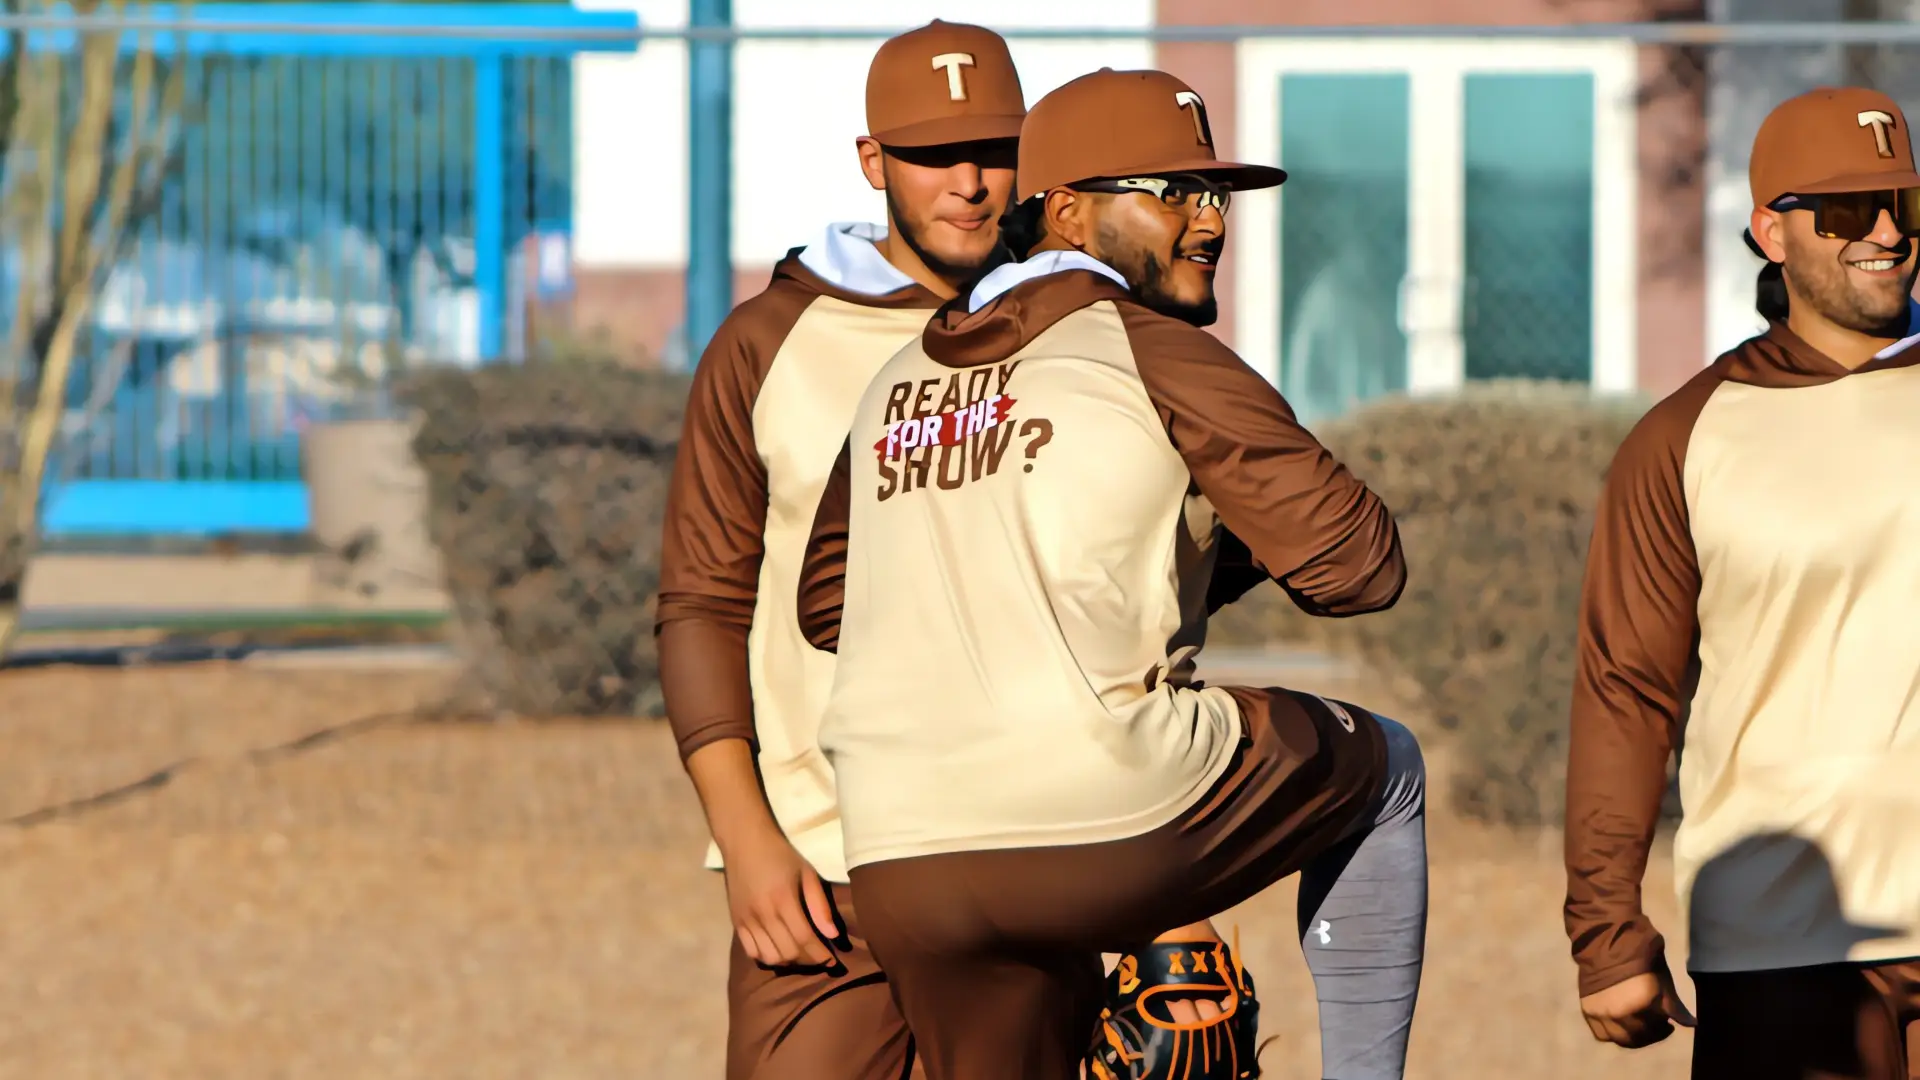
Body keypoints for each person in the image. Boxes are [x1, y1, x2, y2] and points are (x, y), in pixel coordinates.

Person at [794, 68, 1429, 1080]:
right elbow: (1357, 563)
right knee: (1386, 770)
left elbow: (827, 607)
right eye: (1171, 190)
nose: (1208, 220)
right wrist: (1209, 537)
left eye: (1215, 195)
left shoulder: (896, 382)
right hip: (1102, 818)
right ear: (1070, 209)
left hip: (898, 848)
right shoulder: (1150, 347)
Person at [653, 20, 1026, 1080]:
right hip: (826, 868)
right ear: (873, 163)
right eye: (930, 154)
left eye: (994, 151)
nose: (968, 182)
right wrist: (750, 843)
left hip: (1042, 853)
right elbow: (701, 606)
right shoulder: (768, 343)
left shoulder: (1075, 328)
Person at [1565, 85, 1920, 1080]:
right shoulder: (1682, 438)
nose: (1888, 233)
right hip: (1779, 941)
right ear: (1771, 230)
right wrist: (1604, 929)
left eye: (1907, 205)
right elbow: (1625, 691)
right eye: (1851, 210)